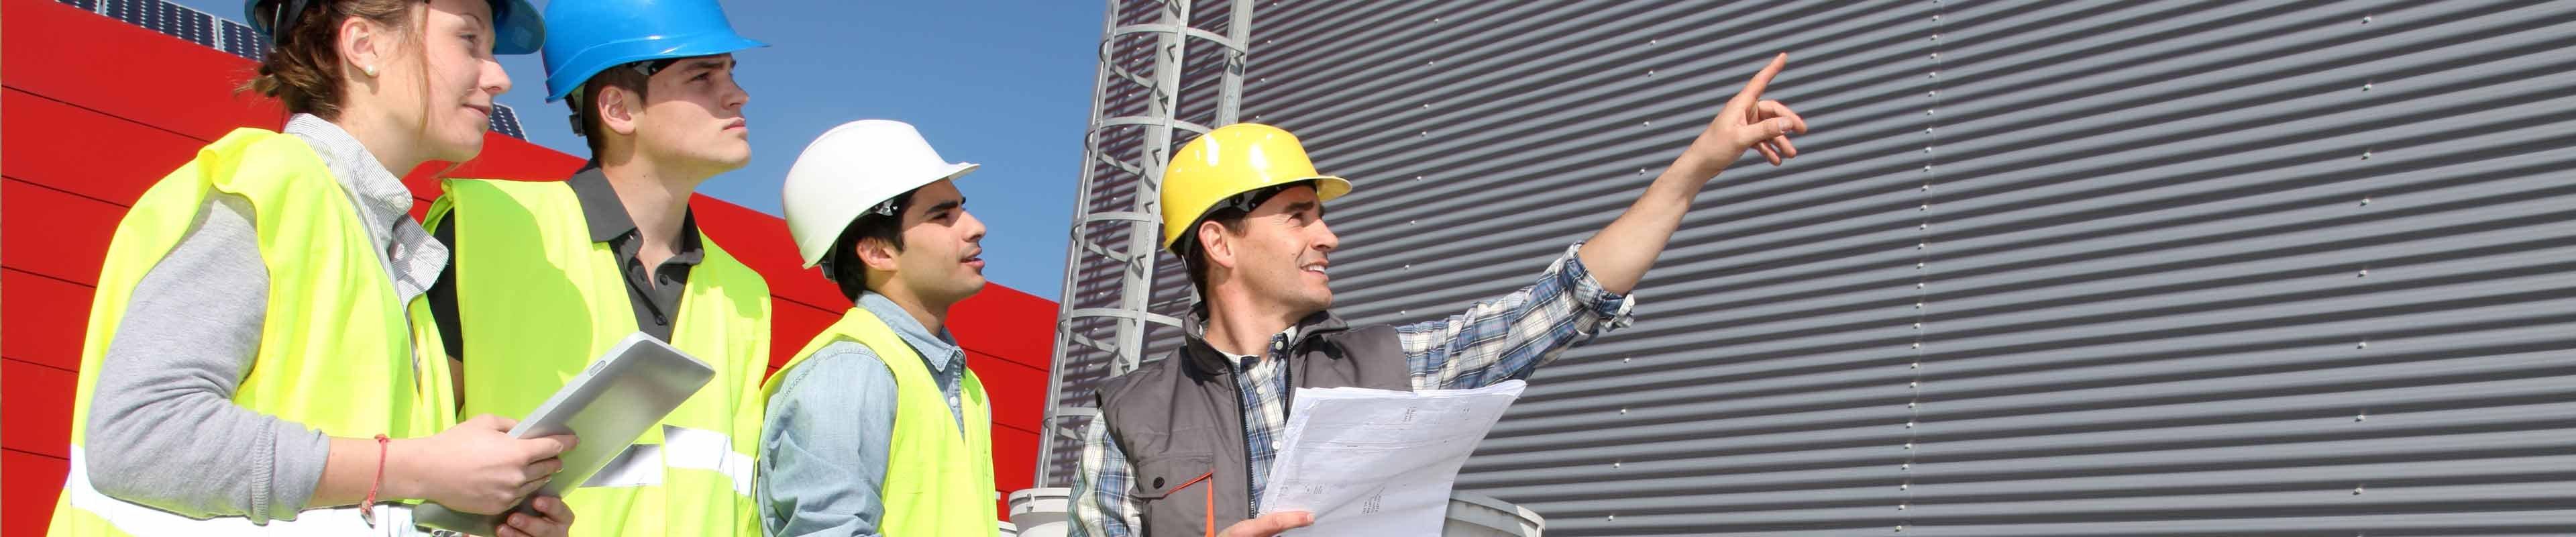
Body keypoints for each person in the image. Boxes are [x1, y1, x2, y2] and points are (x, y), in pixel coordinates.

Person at [1069, 54, 1811, 536]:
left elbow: (1561, 301)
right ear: (1219, 242)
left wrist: (1694, 170)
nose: (1328, 238)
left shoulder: (1392, 366)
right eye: (1299, 215)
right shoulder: (1130, 416)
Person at [50, 1, 578, 535]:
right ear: (364, 46)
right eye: (469, 41)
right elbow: (142, 440)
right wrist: (421, 468)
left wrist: (464, 515)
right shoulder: (273, 186)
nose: (500, 78)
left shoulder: (389, 259)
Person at [421, 0, 771, 534]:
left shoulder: (748, 295)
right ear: (618, 109)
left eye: (731, 72)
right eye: (702, 75)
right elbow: (410, 449)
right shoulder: (487, 226)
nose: (737, 94)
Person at [759, 119, 1000, 536]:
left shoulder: (965, 386)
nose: (975, 226)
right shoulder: (852, 369)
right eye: (943, 216)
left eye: (961, 207)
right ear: (877, 251)